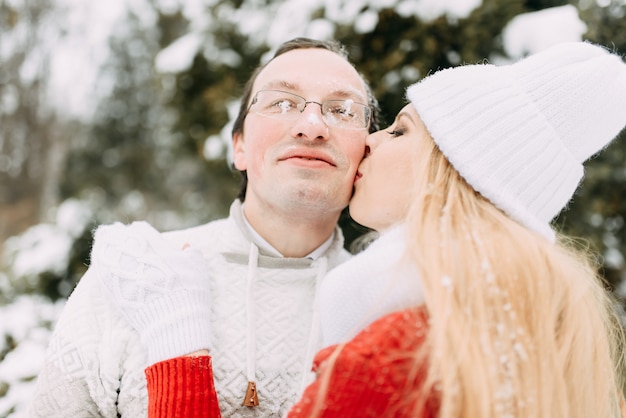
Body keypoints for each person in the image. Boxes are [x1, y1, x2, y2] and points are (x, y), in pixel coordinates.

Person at [125, 41, 626, 417]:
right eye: (281, 103)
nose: (369, 142)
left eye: (400, 130)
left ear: (454, 172)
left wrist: (178, 346)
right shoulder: (532, 334)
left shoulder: (395, 357)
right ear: (239, 146)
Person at [28, 37, 380, 417]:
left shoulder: (391, 305)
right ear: (239, 146)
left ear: (367, 153)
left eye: (342, 110)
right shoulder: (137, 274)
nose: (311, 126)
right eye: (281, 102)